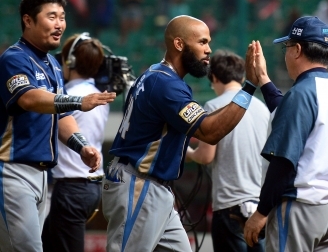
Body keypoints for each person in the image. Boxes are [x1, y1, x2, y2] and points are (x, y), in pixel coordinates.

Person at [102, 15, 261, 252]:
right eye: (202, 42)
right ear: (179, 44)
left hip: (153, 187)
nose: (209, 50)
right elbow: (210, 131)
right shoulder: (166, 85)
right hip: (139, 185)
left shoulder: (154, 75)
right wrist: (249, 87)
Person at [0, 0, 116, 252]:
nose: (59, 24)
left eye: (62, 17)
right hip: (12, 170)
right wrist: (78, 101)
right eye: (51, 16)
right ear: (28, 20)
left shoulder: (53, 63)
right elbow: (29, 98)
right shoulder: (13, 59)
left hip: (43, 177)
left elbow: (61, 116)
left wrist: (80, 146)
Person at [243, 16, 328, 251]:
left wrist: (261, 212)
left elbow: (283, 162)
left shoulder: (302, 94)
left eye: (287, 46)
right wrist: (263, 79)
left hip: (302, 208)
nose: (286, 53)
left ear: (298, 50)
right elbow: (290, 113)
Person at [187, 50, 270, 251]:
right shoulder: (262, 107)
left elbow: (206, 156)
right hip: (261, 208)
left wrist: (186, 152)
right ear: (242, 77)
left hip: (230, 206)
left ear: (214, 77)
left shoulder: (214, 105)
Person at [41, 33, 109, 252]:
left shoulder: (66, 95)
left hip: (70, 187)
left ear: (69, 62)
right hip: (91, 187)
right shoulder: (98, 95)